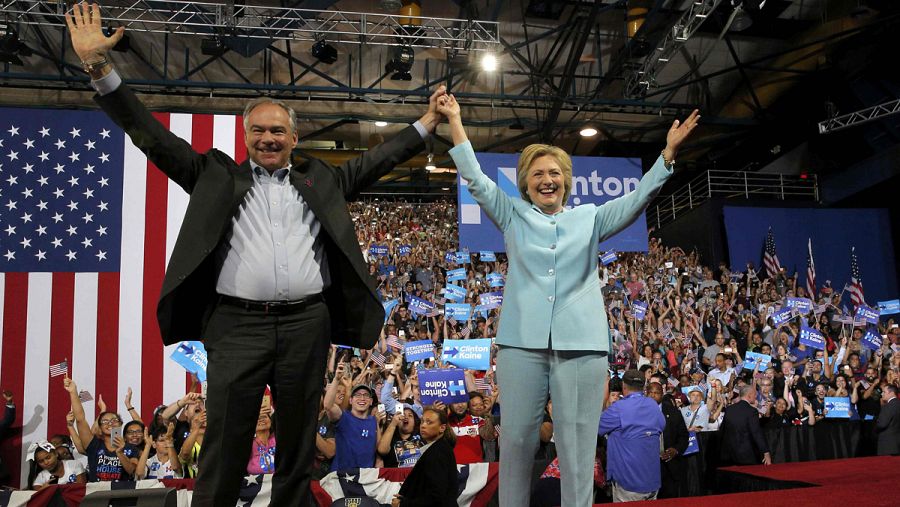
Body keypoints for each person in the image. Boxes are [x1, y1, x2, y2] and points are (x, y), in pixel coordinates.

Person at [65, 3, 443, 505]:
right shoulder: (216, 176)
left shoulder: (321, 179)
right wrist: (99, 68)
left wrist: (428, 121)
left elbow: (378, 159)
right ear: (245, 138)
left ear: (294, 136)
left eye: (278, 131)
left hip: (307, 325)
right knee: (225, 441)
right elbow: (151, 137)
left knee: (297, 446)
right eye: (258, 131)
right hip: (236, 328)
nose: (268, 138)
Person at [438, 87, 700, 507]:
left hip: (581, 346)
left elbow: (637, 200)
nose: (547, 180)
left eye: (555, 173)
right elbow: (475, 179)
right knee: (518, 442)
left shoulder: (590, 218)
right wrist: (454, 122)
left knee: (578, 447)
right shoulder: (512, 214)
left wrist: (666, 156)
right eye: (538, 174)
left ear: (566, 180)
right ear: (525, 183)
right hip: (521, 344)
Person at [599, 370, 666, 502]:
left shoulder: (619, 408)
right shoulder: (653, 405)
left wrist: (605, 392)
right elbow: (661, 426)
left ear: (624, 385)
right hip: (651, 481)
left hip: (629, 484)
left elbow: (595, 428)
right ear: (644, 386)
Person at [63, 377, 139, 481]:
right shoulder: (94, 445)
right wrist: (73, 391)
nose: (110, 423)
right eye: (105, 421)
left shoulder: (131, 448)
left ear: (120, 424)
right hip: (97, 494)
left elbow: (133, 472)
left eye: (114, 420)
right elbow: (80, 419)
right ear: (100, 427)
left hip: (122, 494)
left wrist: (120, 452)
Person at [391, 406, 458, 507]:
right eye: (422, 421)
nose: (423, 426)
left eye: (429, 422)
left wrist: (404, 504)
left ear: (442, 428)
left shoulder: (438, 452)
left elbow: (437, 497)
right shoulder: (436, 449)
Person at [647, 383, 688, 499]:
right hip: (647, 465)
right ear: (646, 393)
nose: (653, 395)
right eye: (650, 393)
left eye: (656, 393)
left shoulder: (674, 412)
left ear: (662, 394)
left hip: (669, 465)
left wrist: (676, 450)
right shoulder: (639, 412)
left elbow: (684, 436)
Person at [719, 386, 771, 466]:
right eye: (755, 395)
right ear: (749, 395)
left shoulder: (729, 409)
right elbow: (756, 433)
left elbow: (722, 430)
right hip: (746, 455)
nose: (756, 397)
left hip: (728, 454)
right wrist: (765, 452)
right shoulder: (752, 411)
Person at [875, 384, 899, 456]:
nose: (882, 394)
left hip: (888, 445)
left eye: (884, 392)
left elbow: (882, 424)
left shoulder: (887, 407)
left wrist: (875, 428)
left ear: (891, 393)